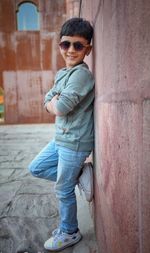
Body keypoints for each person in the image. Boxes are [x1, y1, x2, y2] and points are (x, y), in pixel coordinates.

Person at [28, 17, 95, 251]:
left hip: (74, 143)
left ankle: (70, 232)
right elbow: (48, 100)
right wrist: (52, 102)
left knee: (63, 190)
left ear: (88, 49)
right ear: (59, 45)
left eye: (78, 45)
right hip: (61, 139)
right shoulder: (62, 74)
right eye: (66, 44)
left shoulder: (81, 76)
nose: (71, 50)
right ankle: (79, 174)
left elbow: (59, 107)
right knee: (36, 167)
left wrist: (53, 102)